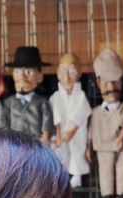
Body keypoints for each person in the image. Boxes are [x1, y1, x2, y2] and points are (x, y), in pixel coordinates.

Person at [87, 48, 123, 198]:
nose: (111, 87)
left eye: (115, 82)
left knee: (122, 168)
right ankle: (107, 194)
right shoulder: (96, 111)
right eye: (106, 83)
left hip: (120, 145)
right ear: (98, 83)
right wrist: (89, 146)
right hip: (102, 145)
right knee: (105, 170)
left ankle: (121, 194)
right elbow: (91, 130)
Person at [50, 53, 91, 188]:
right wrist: (58, 133)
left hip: (76, 131)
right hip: (61, 132)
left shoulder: (81, 95)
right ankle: (61, 176)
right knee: (60, 153)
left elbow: (82, 112)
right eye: (62, 71)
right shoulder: (56, 96)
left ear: (79, 73)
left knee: (77, 151)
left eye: (72, 71)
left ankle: (77, 176)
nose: (66, 77)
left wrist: (72, 130)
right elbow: (55, 117)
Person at [2, 46, 54, 143]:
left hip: (35, 142)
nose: (22, 77)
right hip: (15, 142)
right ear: (13, 75)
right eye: (17, 72)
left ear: (39, 77)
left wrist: (46, 133)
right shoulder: (9, 102)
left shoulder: (41, 102)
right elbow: (4, 121)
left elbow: (47, 118)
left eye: (28, 72)